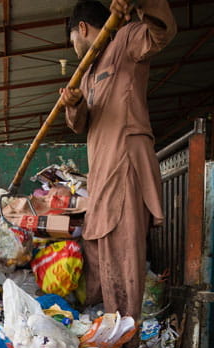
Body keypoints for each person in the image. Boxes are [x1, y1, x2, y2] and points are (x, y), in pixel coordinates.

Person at [60, 0, 177, 329]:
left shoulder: (124, 41)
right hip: (101, 175)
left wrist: (142, 3)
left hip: (125, 163)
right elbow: (81, 125)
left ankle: (128, 333)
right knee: (98, 248)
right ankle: (111, 324)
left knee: (125, 253)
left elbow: (161, 32)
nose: (74, 49)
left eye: (72, 41)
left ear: (82, 29)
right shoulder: (87, 74)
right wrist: (74, 104)